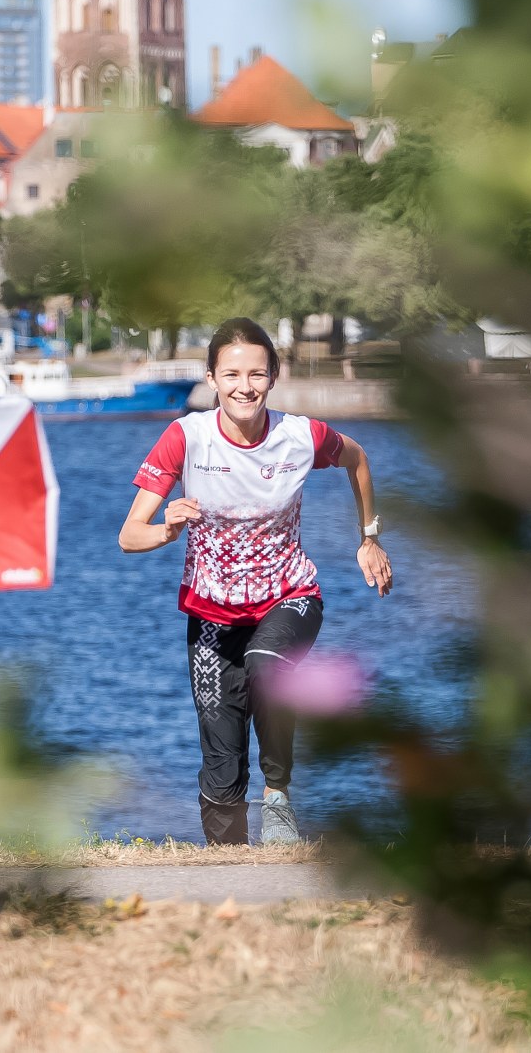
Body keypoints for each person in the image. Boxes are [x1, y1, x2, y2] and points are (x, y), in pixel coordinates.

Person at [119, 317, 393, 845]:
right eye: (232, 374)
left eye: (257, 374)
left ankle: (278, 798)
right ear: (211, 378)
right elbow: (130, 536)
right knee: (221, 765)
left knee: (267, 664)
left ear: (274, 377)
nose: (244, 387)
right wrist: (167, 530)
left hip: (289, 596)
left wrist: (369, 538)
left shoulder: (301, 436)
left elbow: (357, 460)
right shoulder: (186, 438)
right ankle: (232, 869)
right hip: (212, 615)